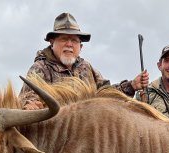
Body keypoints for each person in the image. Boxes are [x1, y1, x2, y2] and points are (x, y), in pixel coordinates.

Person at [20, 12, 149, 109]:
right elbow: (28, 98)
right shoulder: (40, 68)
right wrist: (30, 105)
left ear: (80, 47)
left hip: (87, 133)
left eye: (74, 40)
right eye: (64, 39)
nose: (69, 44)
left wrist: (132, 86)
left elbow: (105, 93)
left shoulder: (86, 67)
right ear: (52, 43)